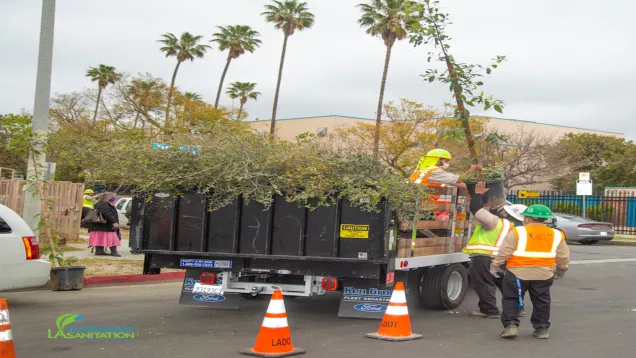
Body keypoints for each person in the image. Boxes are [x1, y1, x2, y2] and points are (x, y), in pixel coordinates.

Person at [491, 204, 570, 339]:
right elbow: (563, 255)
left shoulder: (517, 232)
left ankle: (511, 326)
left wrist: (496, 265)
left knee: (512, 299)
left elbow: (505, 252)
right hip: (544, 274)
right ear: (545, 219)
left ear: (527, 218)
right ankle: (542, 329)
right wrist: (562, 269)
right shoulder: (557, 234)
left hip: (517, 273)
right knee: (542, 301)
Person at [462, 182, 515, 319]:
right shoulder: (510, 224)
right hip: (500, 258)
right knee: (503, 283)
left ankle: (489, 310)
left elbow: (476, 209)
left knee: (484, 284)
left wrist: (478, 194)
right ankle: (516, 308)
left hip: (484, 258)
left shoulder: (494, 222)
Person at [409, 149, 482, 189]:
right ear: (438, 160)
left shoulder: (421, 170)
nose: (447, 164)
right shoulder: (434, 171)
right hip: (432, 205)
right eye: (446, 161)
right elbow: (459, 179)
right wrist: (472, 170)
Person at [88, 192, 122, 257]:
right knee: (112, 237)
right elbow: (107, 214)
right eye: (113, 197)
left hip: (99, 225)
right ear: (108, 197)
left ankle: (99, 251)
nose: (114, 199)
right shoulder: (104, 204)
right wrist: (114, 222)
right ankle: (114, 252)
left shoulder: (99, 204)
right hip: (105, 225)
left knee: (99, 237)